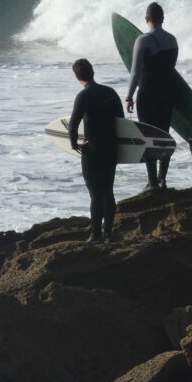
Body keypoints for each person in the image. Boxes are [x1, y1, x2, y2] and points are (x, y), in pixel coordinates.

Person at [69, 58, 124, 244]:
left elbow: (73, 125)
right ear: (92, 72)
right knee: (108, 191)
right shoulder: (110, 92)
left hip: (92, 150)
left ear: (77, 76)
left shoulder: (83, 96)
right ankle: (108, 233)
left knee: (95, 194)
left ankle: (95, 235)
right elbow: (122, 122)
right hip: (111, 148)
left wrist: (74, 145)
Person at [125, 2, 179, 192]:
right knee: (164, 136)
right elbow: (171, 70)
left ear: (147, 19)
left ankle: (152, 182)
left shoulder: (143, 40)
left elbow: (135, 72)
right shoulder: (173, 40)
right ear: (162, 19)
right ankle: (163, 179)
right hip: (169, 93)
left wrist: (129, 96)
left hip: (148, 94)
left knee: (147, 136)